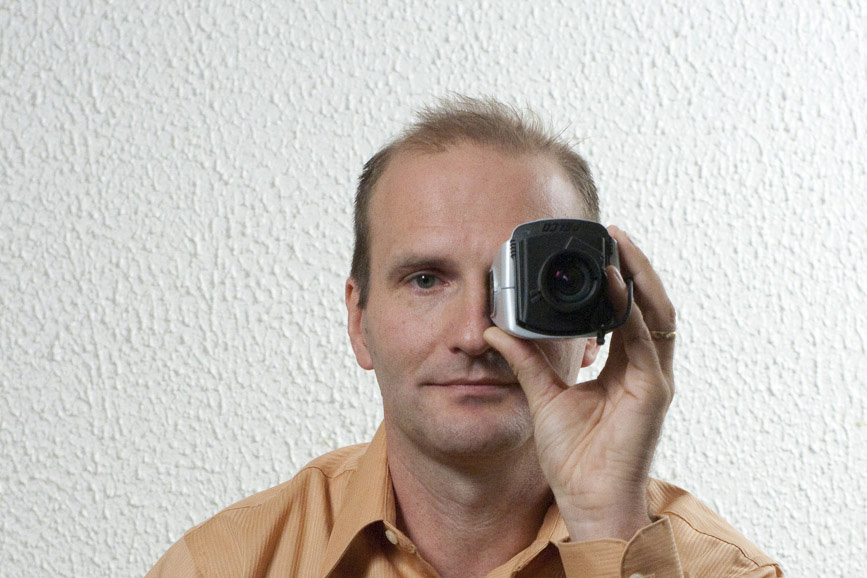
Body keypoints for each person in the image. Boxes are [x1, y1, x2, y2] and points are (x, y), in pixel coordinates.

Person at [146, 97, 783, 577]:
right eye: (427, 279)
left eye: (523, 285)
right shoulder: (225, 566)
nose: (476, 332)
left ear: (595, 327)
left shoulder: (721, 572)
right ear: (357, 321)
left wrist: (608, 523)